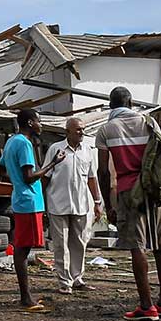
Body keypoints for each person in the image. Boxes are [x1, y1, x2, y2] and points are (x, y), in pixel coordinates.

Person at [95, 87, 161, 321]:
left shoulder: (106, 130)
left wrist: (109, 203)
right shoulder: (149, 123)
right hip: (154, 189)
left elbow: (103, 171)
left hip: (129, 192)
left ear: (111, 104)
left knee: (137, 246)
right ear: (130, 103)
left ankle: (146, 306)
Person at [0, 108, 65, 311]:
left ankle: (26, 296)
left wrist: (16, 181)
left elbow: (0, 170)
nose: (41, 125)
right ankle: (25, 297)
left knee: (22, 247)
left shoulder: (11, 142)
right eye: (39, 121)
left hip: (22, 199)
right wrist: (53, 163)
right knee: (22, 249)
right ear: (30, 123)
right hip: (28, 201)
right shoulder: (24, 144)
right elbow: (29, 176)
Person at [42, 117, 103, 295]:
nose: (81, 132)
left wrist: (97, 202)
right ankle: (64, 281)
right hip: (57, 204)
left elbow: (92, 178)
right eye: (77, 129)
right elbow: (46, 176)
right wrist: (42, 203)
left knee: (80, 243)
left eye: (82, 129)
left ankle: (77, 278)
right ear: (67, 131)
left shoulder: (87, 151)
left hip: (81, 204)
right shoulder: (56, 149)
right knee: (61, 245)